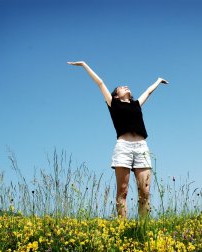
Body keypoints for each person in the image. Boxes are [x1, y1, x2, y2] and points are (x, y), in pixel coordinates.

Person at [67, 61, 168, 218]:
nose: (125, 86)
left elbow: (148, 92)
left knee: (145, 191)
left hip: (142, 148)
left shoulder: (136, 104)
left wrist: (158, 80)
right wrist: (84, 65)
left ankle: (144, 227)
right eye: (121, 87)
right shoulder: (113, 103)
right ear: (115, 95)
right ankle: (122, 227)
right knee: (123, 190)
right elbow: (100, 82)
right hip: (123, 148)